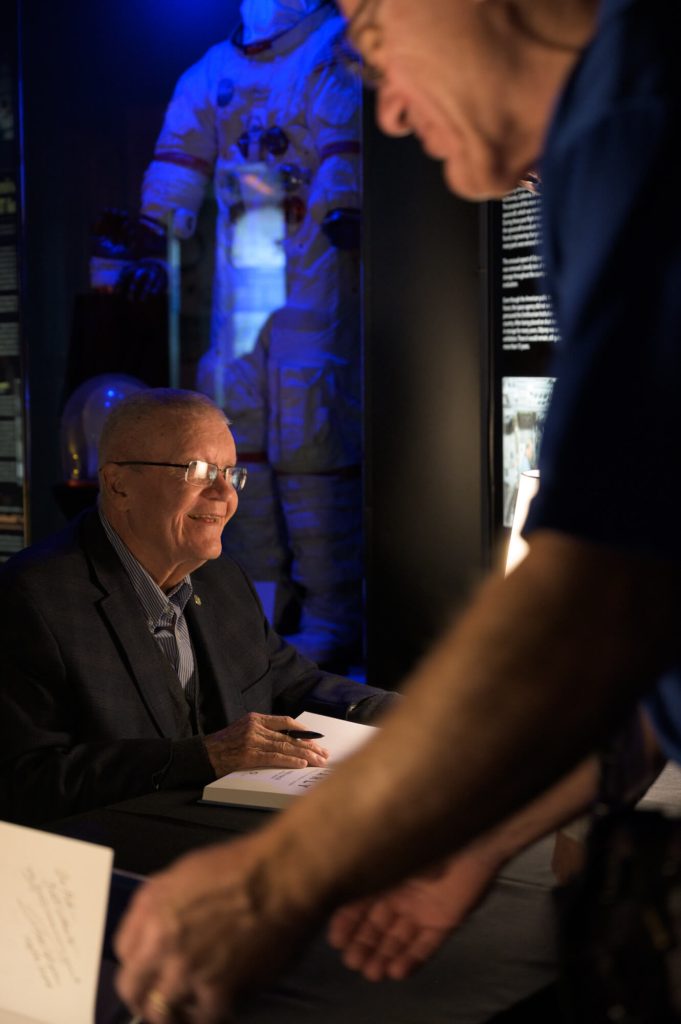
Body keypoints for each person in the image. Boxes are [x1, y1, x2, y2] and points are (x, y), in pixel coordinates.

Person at [114, 0, 681, 1019]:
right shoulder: (608, 136)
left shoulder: (632, 122)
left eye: (376, 36)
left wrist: (273, 878)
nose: (387, 107)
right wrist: (475, 835)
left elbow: (599, 596)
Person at [0, 389, 394, 827]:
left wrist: (400, 714)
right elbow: (23, 783)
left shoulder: (223, 578)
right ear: (118, 484)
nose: (225, 493)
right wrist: (202, 757)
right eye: (199, 471)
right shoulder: (30, 599)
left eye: (231, 473)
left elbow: (292, 681)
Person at [129, 0, 363, 670]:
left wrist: (344, 204)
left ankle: (330, 612)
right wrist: (159, 228)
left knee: (311, 432)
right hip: (244, 271)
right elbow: (179, 162)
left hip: (312, 267)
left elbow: (344, 145)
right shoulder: (213, 71)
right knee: (238, 437)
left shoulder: (331, 48)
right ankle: (257, 604)